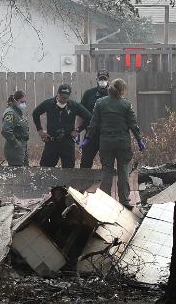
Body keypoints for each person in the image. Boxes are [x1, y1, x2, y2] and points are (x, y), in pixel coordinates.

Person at [83, 78, 145, 207]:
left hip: (106, 142)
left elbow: (93, 123)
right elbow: (133, 124)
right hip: (122, 142)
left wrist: (88, 138)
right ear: (122, 90)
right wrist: (139, 140)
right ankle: (124, 200)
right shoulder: (126, 105)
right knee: (123, 170)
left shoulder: (100, 103)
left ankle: (106, 199)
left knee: (107, 170)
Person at [32, 84, 92, 168]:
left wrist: (78, 130)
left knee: (69, 170)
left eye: (66, 98)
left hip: (67, 142)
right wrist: (40, 130)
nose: (63, 100)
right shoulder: (48, 103)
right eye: (61, 97)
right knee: (45, 169)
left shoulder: (73, 105)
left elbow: (89, 117)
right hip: (52, 141)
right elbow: (35, 113)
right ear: (57, 94)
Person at [79, 70, 110, 168]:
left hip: (107, 133)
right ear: (96, 79)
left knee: (107, 161)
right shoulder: (89, 94)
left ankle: (105, 182)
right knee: (86, 160)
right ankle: (84, 181)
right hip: (90, 133)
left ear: (108, 79)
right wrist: (78, 129)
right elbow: (80, 112)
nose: (102, 80)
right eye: (100, 78)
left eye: (104, 78)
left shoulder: (113, 94)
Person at [1, 90, 30, 166]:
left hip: (22, 147)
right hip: (14, 149)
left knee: (24, 173)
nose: (24, 104)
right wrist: (16, 143)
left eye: (25, 102)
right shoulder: (10, 113)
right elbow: (5, 131)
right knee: (17, 174)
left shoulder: (18, 113)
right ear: (15, 101)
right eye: (22, 102)